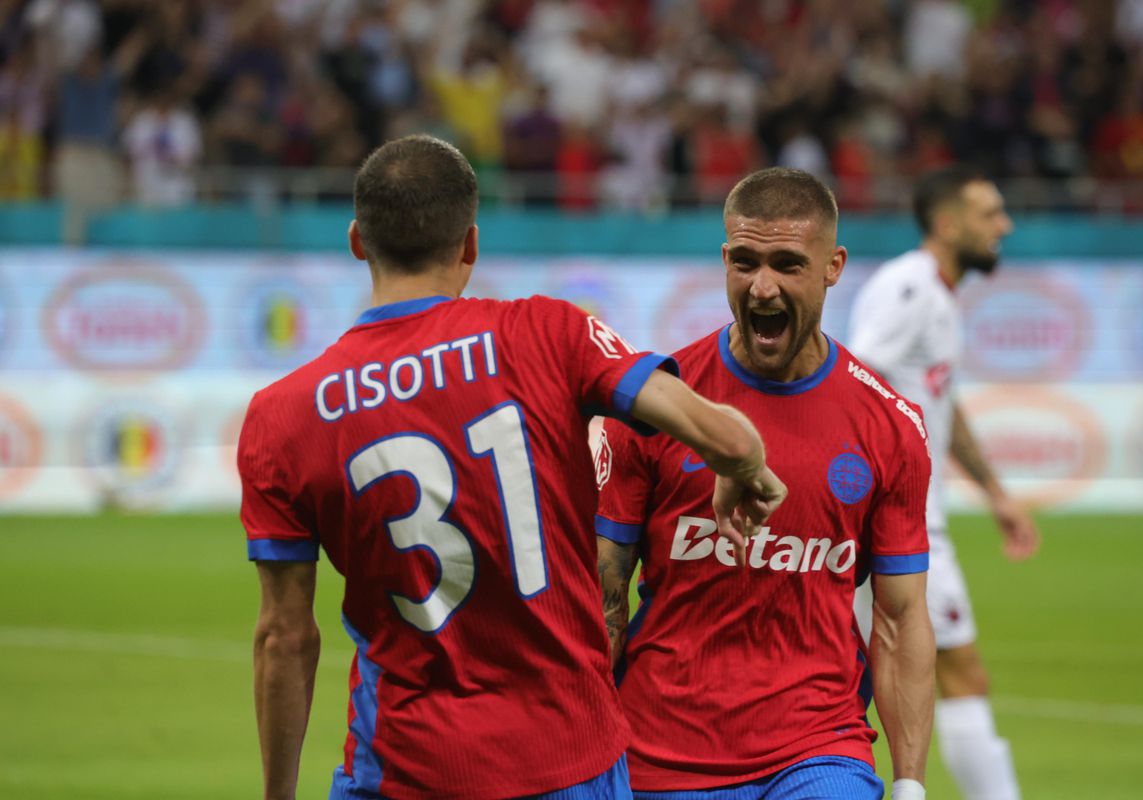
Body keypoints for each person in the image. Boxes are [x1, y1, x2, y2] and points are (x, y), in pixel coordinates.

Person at [238, 134, 786, 800]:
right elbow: (720, 435)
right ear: (471, 243)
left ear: (357, 241)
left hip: (405, 769)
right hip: (567, 760)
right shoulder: (548, 333)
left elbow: (284, 638)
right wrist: (739, 461)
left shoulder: (283, 414)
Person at [595, 167, 936, 800]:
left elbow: (900, 618)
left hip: (817, 750)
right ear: (725, 259)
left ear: (833, 266)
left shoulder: (891, 425)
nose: (763, 287)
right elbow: (603, 603)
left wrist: (910, 784)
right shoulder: (657, 408)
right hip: (656, 755)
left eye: (787, 264)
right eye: (746, 262)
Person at [847, 165, 1041, 800]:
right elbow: (853, 380)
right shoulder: (909, 288)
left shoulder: (940, 294)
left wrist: (996, 493)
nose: (1003, 226)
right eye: (991, 213)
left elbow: (943, 409)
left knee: (891, 678)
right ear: (949, 222)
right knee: (956, 673)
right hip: (897, 525)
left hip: (911, 521)